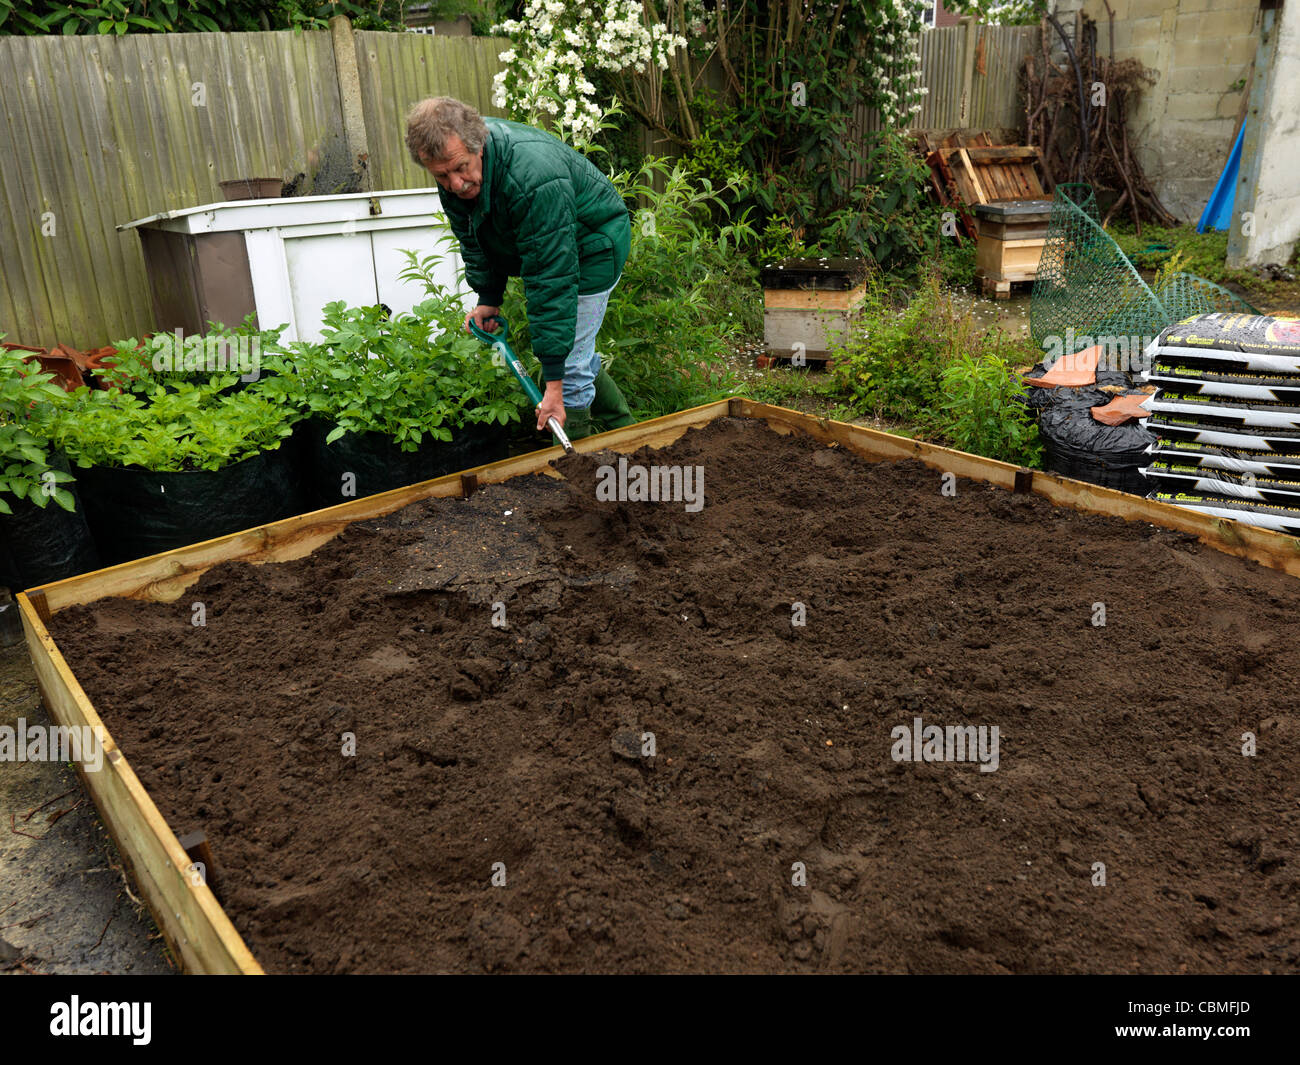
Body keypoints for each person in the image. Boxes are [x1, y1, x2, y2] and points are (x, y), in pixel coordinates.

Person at [405, 96, 636, 443]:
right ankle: (631, 433)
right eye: (442, 175)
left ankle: (582, 475)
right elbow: (475, 237)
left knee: (568, 369)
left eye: (461, 167)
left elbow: (550, 279)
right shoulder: (458, 178)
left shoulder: (532, 177)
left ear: (478, 145)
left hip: (593, 245)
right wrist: (488, 297)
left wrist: (555, 387)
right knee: (576, 357)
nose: (455, 184)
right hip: (556, 251)